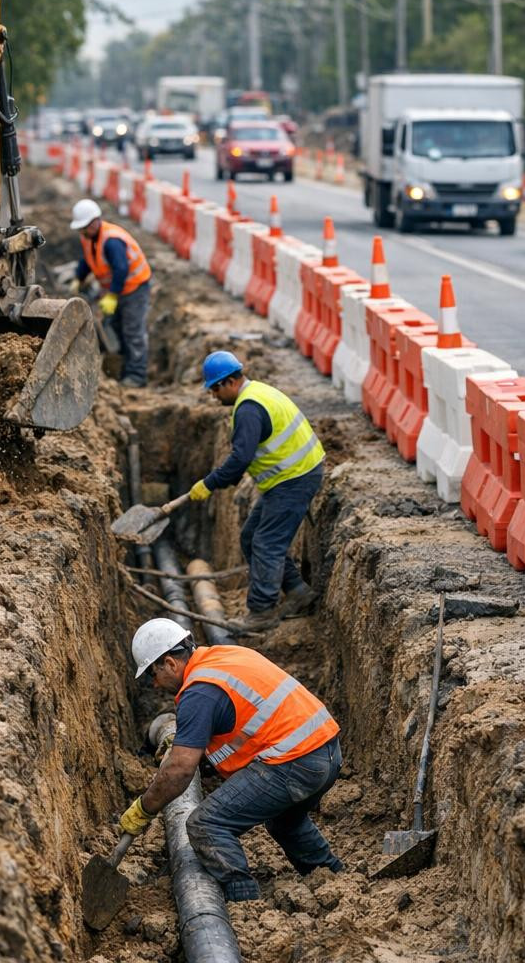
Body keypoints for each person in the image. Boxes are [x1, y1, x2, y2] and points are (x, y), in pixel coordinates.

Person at [119, 618, 344, 902]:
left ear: (170, 663)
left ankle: (244, 903)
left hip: (296, 764)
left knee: (206, 824)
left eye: (153, 673)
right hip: (328, 751)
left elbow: (179, 772)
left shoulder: (199, 692)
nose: (154, 683)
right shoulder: (227, 656)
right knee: (285, 822)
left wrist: (144, 808)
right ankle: (334, 878)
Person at [189, 351, 323, 632]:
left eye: (214, 389)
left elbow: (239, 459)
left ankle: (262, 611)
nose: (213, 396)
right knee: (252, 536)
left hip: (294, 480)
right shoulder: (257, 394)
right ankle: (298, 591)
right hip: (288, 479)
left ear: (229, 382)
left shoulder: (249, 409)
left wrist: (209, 483)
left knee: (266, 543)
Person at [71, 198, 152, 388]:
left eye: (84, 227)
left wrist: (112, 296)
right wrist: (79, 278)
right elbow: (87, 260)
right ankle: (121, 369)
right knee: (114, 328)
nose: (82, 231)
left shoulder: (112, 241)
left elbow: (121, 269)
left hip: (134, 289)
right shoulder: (89, 238)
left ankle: (137, 376)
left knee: (133, 331)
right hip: (116, 290)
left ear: (95, 222)